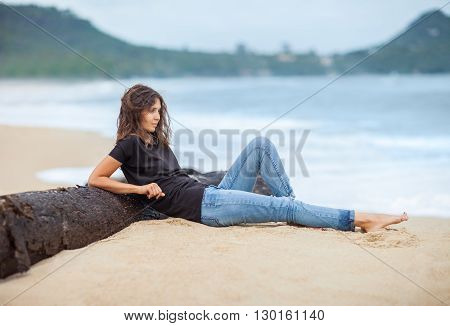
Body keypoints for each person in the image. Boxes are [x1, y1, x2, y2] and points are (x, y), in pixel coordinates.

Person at [88, 84, 408, 233]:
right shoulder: (128, 144)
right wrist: (140, 190)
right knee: (285, 207)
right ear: (135, 110)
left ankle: (295, 210)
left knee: (261, 144)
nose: (158, 116)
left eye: (160, 110)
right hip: (205, 209)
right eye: (151, 110)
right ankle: (363, 219)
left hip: (209, 195)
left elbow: (176, 179)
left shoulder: (155, 141)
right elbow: (96, 179)